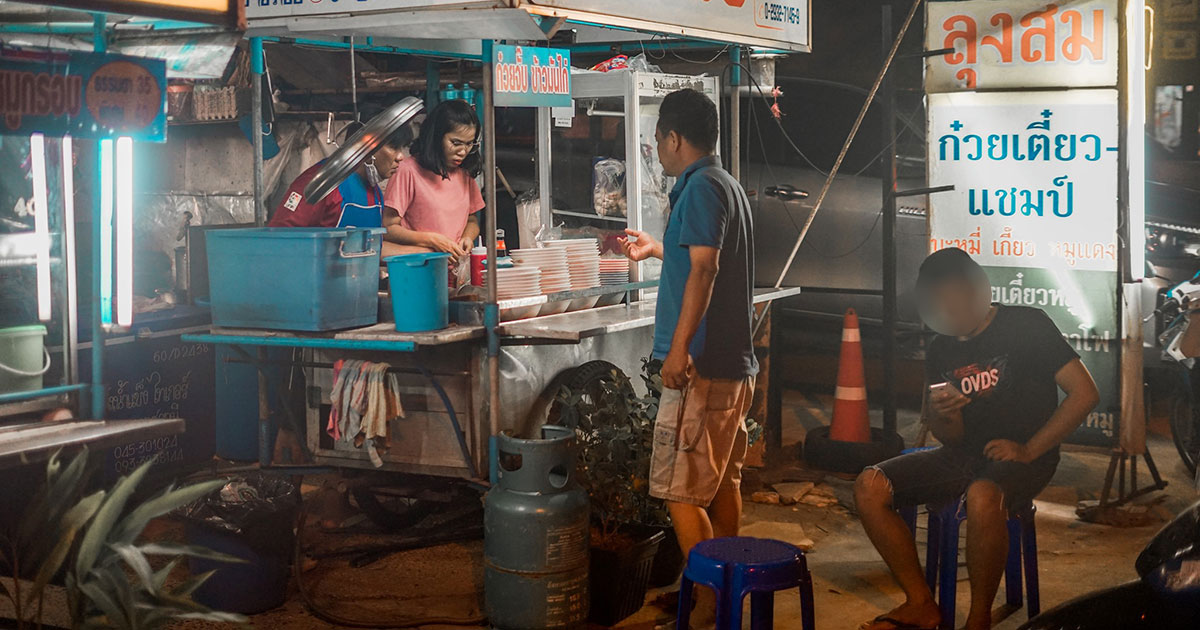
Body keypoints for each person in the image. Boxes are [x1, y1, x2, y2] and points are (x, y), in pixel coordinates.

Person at [855, 248, 1099, 630]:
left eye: (955, 298)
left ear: (976, 291)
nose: (949, 310)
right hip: (965, 453)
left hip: (1028, 457)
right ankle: (920, 602)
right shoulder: (941, 348)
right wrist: (945, 414)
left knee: (984, 495)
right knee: (870, 485)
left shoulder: (1027, 324)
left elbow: (1085, 393)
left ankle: (978, 618)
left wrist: (1029, 448)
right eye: (939, 302)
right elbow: (949, 436)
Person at [620, 88, 757, 625]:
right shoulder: (725, 184)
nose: (656, 149)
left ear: (675, 138)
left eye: (658, 140)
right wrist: (658, 248)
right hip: (731, 364)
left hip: (700, 367)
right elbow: (700, 256)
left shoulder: (699, 187)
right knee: (722, 482)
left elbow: (705, 268)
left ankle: (708, 605)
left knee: (680, 492)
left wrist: (677, 351)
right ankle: (722, 591)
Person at [383, 99, 484, 263]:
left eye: (469, 144)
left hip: (456, 270)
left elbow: (472, 220)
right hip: (420, 269)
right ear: (436, 137)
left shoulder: (464, 174)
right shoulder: (407, 171)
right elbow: (388, 228)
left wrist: (467, 237)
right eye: (455, 143)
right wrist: (431, 240)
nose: (463, 151)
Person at [268, 121, 411, 235]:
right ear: (366, 146)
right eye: (393, 147)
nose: (400, 157)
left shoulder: (375, 194)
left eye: (401, 148)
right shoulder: (320, 184)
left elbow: (370, 249)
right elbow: (281, 239)